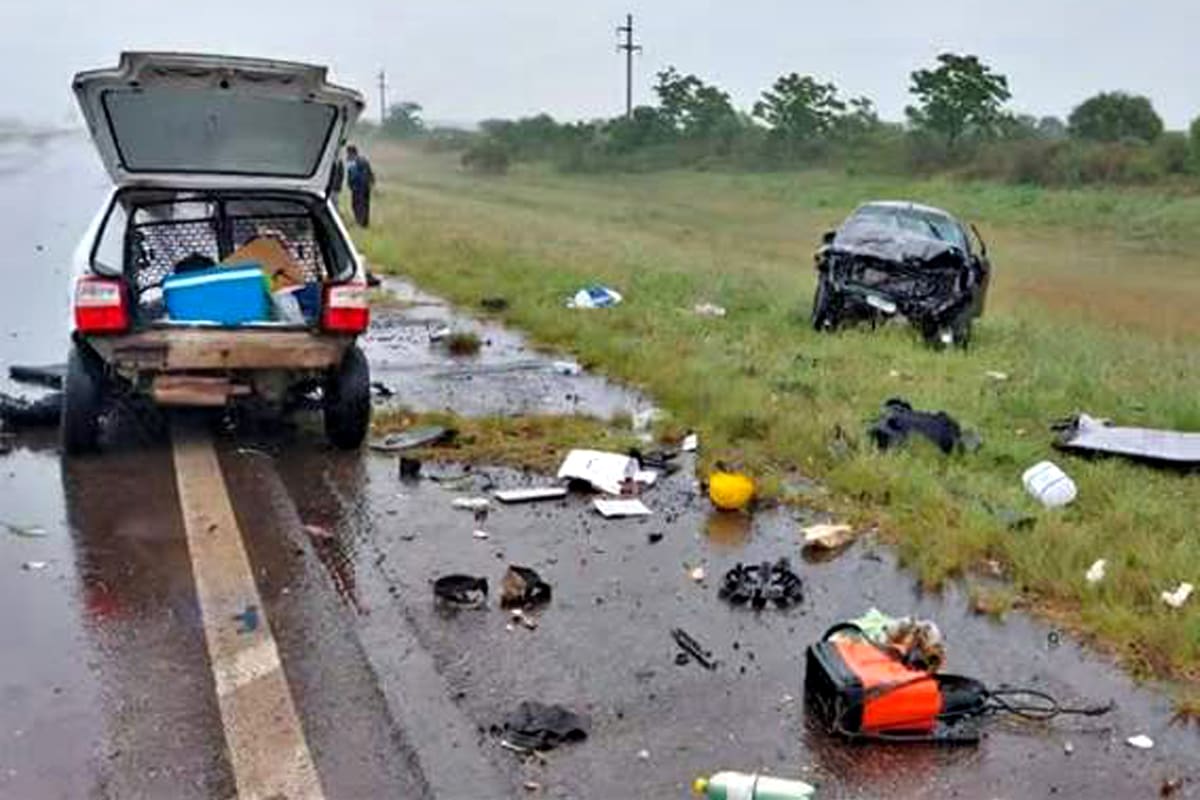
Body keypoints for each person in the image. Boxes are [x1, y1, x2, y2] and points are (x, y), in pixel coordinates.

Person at [345, 145, 375, 227]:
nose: (347, 155)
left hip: (360, 189)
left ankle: (361, 223)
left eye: (348, 153)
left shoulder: (360, 161)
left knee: (360, 205)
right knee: (358, 205)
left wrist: (356, 186)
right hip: (359, 188)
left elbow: (363, 176)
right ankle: (361, 222)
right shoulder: (357, 161)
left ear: (352, 153)